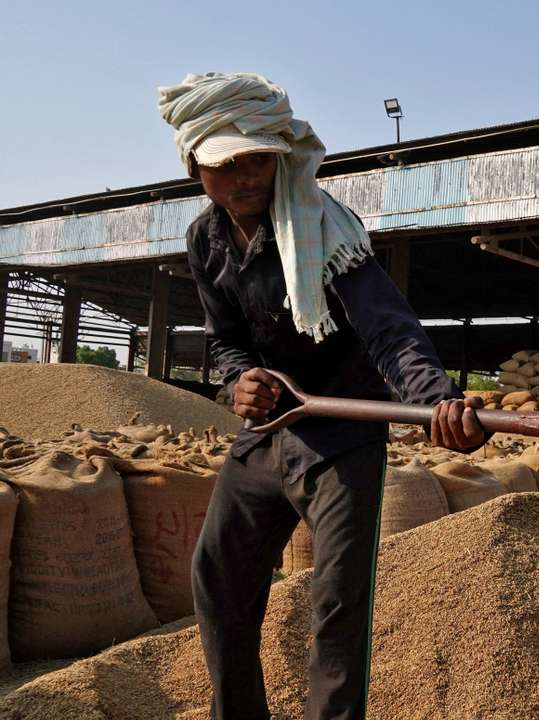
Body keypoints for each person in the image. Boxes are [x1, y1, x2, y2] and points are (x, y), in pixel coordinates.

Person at [159, 72, 484, 720]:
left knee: (336, 610)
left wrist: (437, 401)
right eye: (228, 163)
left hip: (342, 438)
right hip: (269, 431)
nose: (247, 175)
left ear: (280, 155)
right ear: (196, 165)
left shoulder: (326, 231)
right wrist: (237, 384)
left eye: (259, 157)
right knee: (218, 580)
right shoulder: (206, 242)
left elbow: (389, 328)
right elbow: (225, 342)